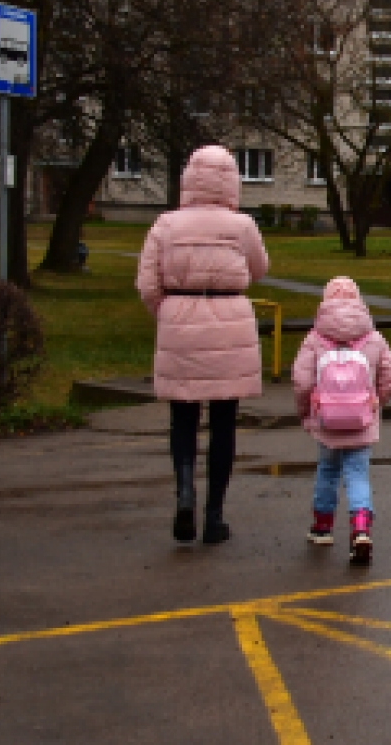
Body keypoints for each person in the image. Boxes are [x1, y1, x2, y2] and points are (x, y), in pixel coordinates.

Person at [136, 145, 269, 545]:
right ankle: (214, 516)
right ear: (231, 181)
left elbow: (147, 284)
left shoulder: (165, 225)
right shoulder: (242, 225)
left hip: (180, 320)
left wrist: (171, 312)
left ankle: (184, 491)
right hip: (230, 322)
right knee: (224, 423)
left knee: (183, 419)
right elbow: (260, 268)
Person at [291, 276, 391, 565]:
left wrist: (305, 412)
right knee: (357, 475)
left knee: (327, 470)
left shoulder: (315, 337)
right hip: (362, 420)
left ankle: (323, 526)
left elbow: (301, 381)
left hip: (326, 421)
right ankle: (361, 527)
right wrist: (376, 402)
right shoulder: (373, 337)